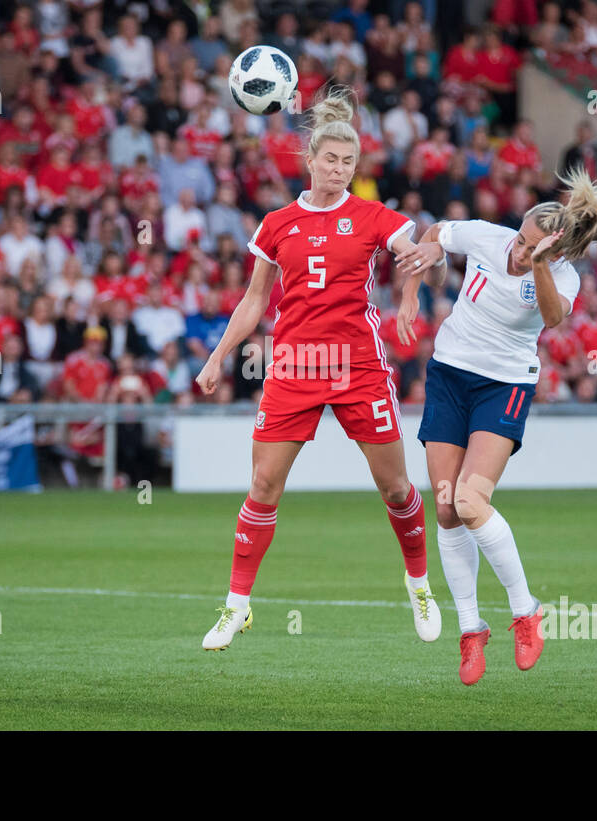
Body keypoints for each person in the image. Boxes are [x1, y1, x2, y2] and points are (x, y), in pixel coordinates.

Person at [195, 88, 438, 650]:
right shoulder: (277, 224)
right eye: (330, 159)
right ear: (310, 161)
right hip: (294, 367)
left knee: (396, 486)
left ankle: (419, 583)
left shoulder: (373, 216)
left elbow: (424, 245)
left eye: (348, 162)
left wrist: (409, 296)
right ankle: (236, 606)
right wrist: (217, 357)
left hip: (358, 367)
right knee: (263, 484)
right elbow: (255, 301)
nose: (339, 169)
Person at [394, 166, 597, 685]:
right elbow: (433, 235)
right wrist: (418, 283)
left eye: (532, 248)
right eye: (520, 240)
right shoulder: (488, 236)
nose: (518, 252)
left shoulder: (561, 276)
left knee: (473, 503)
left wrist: (540, 265)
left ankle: (526, 612)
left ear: (557, 253)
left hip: (503, 386)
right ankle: (471, 630)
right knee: (448, 508)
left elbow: (552, 317)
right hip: (450, 375)